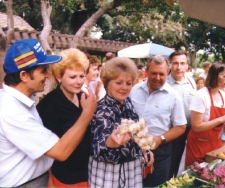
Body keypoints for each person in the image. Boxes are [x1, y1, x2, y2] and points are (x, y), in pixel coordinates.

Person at [0, 38, 96, 187]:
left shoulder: (22, 103)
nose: (48, 75)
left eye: (81, 75)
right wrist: (87, 114)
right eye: (43, 70)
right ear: (24, 75)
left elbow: (44, 152)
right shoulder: (12, 111)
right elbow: (60, 152)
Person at [89, 57, 154, 188]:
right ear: (107, 83)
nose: (124, 88)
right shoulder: (101, 110)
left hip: (131, 169)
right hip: (108, 173)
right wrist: (112, 143)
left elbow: (136, 134)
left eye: (129, 83)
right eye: (119, 82)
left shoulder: (128, 103)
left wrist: (144, 149)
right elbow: (98, 150)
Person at [36, 48, 95, 187]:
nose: (79, 81)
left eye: (82, 76)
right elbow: (44, 149)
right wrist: (49, 179)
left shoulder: (83, 98)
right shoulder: (49, 105)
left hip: (88, 173)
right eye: (73, 77)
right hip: (64, 178)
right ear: (59, 77)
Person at [130, 54, 187, 187]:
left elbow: (181, 127)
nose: (157, 77)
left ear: (167, 72)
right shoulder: (134, 90)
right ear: (146, 71)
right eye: (153, 73)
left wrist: (159, 139)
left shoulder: (173, 96)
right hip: (132, 150)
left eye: (161, 74)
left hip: (159, 151)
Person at [185, 62, 225, 166]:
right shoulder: (201, 96)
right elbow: (196, 126)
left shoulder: (223, 95)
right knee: (196, 174)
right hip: (199, 145)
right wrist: (222, 119)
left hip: (215, 144)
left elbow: (222, 123)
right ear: (214, 76)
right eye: (224, 76)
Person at [166, 50, 197, 178]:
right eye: (175, 63)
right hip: (172, 131)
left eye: (182, 63)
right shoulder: (164, 83)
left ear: (187, 65)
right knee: (169, 165)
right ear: (169, 65)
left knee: (182, 164)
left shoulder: (191, 81)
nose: (179, 67)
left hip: (189, 131)